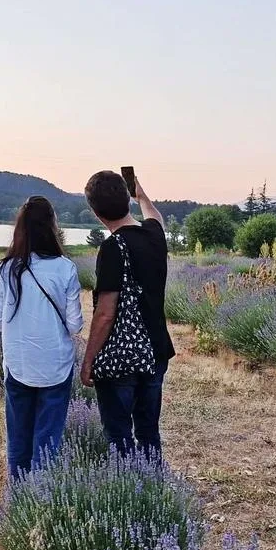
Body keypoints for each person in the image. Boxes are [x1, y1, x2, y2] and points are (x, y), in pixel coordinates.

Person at [80, 170, 175, 457]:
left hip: (122, 357)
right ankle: (151, 490)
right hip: (156, 352)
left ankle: (130, 489)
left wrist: (89, 360)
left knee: (119, 435)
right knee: (148, 432)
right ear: (127, 200)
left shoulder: (112, 248)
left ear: (96, 213)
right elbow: (154, 213)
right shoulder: (154, 235)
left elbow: (106, 313)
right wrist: (140, 193)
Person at [0, 196, 84, 477]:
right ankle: (40, 500)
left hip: (18, 363)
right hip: (55, 365)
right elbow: (75, 325)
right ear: (52, 227)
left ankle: (18, 497)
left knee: (18, 437)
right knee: (48, 439)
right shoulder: (65, 268)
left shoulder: (5, 269)